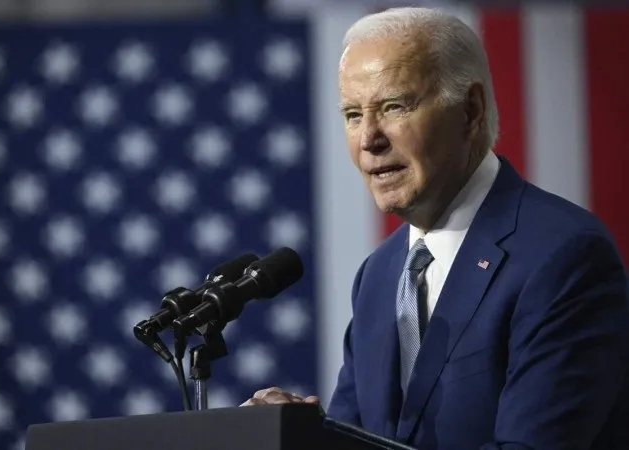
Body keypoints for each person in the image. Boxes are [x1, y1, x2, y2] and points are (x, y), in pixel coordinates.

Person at [240, 6, 629, 449]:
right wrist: (300, 435)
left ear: (470, 111)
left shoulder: (563, 257)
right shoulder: (380, 275)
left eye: (394, 106)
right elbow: (361, 440)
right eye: (352, 114)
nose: (369, 138)